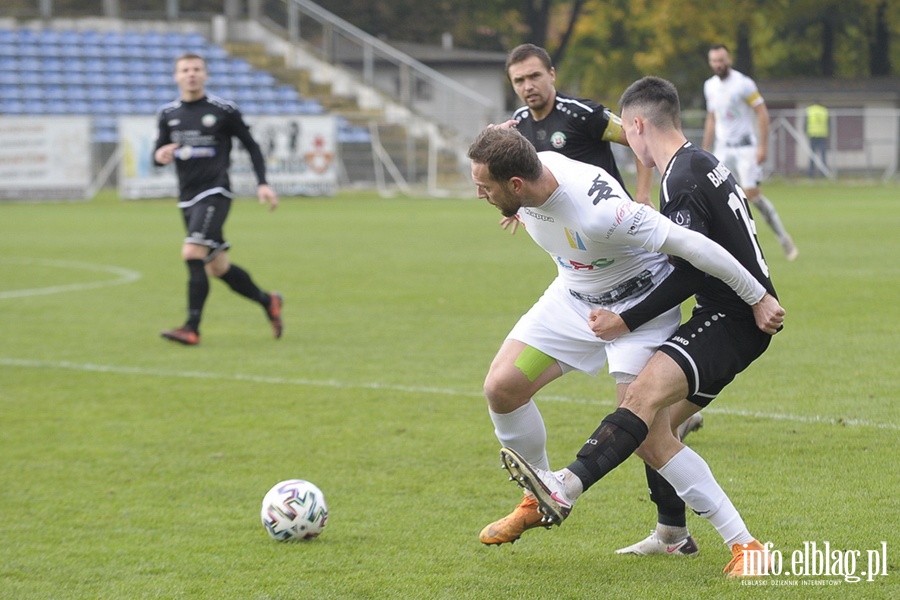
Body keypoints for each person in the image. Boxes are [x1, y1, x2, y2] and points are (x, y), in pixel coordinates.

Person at [499, 76, 785, 577]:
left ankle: (562, 487)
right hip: (728, 312)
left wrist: (628, 317)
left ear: (636, 126)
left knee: (640, 413)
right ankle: (675, 534)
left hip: (731, 317)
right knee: (654, 431)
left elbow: (694, 264)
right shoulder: (700, 162)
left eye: (628, 137)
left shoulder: (682, 179)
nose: (629, 149)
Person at [154, 52, 283, 346]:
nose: (191, 74)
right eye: (185, 70)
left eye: (197, 69)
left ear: (206, 75)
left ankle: (191, 328)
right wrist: (160, 157)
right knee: (218, 267)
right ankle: (268, 301)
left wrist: (263, 183)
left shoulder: (223, 110)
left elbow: (251, 147)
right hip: (187, 197)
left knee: (191, 253)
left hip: (216, 192)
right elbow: (159, 152)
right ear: (176, 76)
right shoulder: (168, 114)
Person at [505, 43, 654, 207]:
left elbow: (642, 140)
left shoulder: (583, 113)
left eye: (535, 76)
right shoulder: (519, 121)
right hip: (565, 223)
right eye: (519, 80)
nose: (528, 86)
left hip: (610, 216)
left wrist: (643, 195)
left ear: (552, 74)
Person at [703, 44, 798, 261]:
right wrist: (706, 149)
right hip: (723, 149)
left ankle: (783, 237)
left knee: (751, 194)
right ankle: (727, 247)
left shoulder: (743, 84)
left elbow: (762, 112)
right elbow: (711, 118)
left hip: (745, 147)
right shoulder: (709, 86)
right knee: (716, 195)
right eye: (714, 61)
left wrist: (763, 146)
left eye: (721, 60)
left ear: (729, 60)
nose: (718, 64)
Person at [805, 102, 829, 178]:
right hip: (823, 134)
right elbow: (829, 124)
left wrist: (806, 131)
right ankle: (823, 173)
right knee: (823, 155)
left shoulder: (809, 110)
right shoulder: (824, 110)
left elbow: (805, 123)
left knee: (812, 156)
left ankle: (811, 174)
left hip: (812, 135)